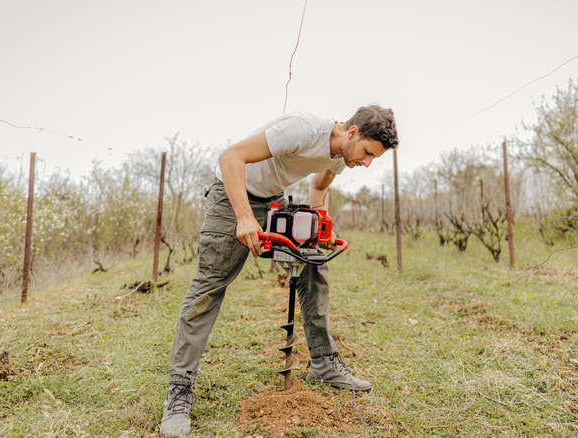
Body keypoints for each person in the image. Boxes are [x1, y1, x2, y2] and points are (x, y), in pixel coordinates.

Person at [160, 105, 399, 436]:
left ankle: (323, 363)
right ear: (353, 133)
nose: (367, 163)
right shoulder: (302, 129)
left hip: (273, 200)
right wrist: (244, 217)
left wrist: (321, 228)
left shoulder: (341, 155)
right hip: (232, 199)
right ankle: (179, 393)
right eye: (368, 153)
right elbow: (230, 158)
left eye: (374, 158)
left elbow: (318, 188)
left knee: (314, 265)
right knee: (208, 289)